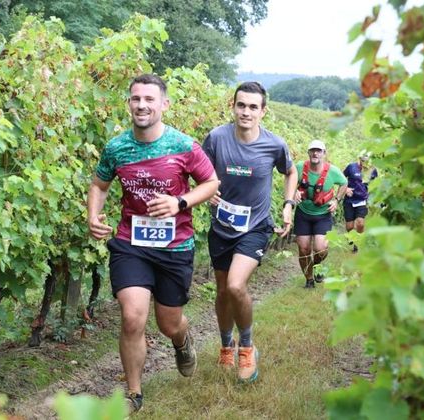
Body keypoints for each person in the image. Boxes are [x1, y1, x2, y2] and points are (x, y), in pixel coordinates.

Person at [87, 74, 219, 413]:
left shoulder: (184, 146)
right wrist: (93, 215)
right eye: (135, 99)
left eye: (149, 99)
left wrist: (180, 203)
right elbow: (100, 185)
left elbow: (211, 182)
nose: (141, 105)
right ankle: (133, 393)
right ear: (129, 103)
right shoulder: (117, 147)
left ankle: (181, 339)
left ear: (164, 104)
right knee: (132, 317)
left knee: (168, 322)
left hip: (174, 246)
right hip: (131, 242)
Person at [202, 81, 297, 383]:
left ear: (263, 111)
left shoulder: (274, 145)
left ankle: (246, 346)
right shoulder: (216, 138)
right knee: (221, 292)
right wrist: (206, 191)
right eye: (241, 105)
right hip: (221, 226)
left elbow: (291, 172)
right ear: (233, 106)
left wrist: (287, 204)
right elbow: (200, 172)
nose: (246, 112)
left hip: (255, 227)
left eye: (253, 107)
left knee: (235, 286)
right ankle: (225, 344)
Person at [293, 140, 347, 288]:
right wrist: (294, 191)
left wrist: (337, 200)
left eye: (319, 151)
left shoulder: (333, 171)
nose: (315, 153)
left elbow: (344, 183)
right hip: (303, 213)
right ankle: (309, 279)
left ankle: (317, 266)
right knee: (303, 249)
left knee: (320, 249)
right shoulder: (299, 167)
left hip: (323, 214)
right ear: (308, 153)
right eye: (312, 150)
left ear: (324, 153)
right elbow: (289, 179)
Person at [343, 150, 378, 252]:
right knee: (349, 226)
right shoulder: (351, 167)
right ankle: (351, 236)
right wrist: (345, 189)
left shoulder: (372, 170)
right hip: (349, 200)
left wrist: (373, 199)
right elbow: (341, 178)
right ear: (359, 159)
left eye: (367, 161)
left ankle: (357, 243)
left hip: (362, 199)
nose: (365, 163)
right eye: (363, 160)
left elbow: (375, 185)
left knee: (360, 223)